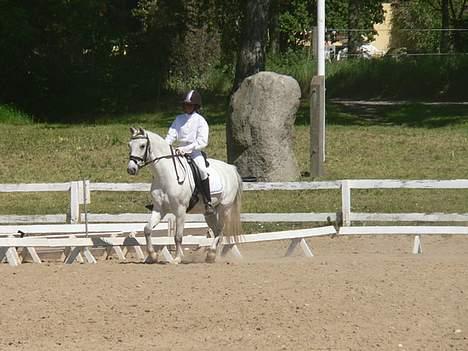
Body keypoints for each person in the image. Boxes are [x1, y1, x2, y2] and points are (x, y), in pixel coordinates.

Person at [165, 90, 215, 215]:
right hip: (178, 151)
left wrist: (186, 149)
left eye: (190, 105)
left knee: (202, 170)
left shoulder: (201, 121)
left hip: (194, 152)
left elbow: (202, 141)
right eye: (185, 104)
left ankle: (207, 202)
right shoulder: (178, 119)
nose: (187, 107)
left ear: (195, 106)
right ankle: (162, 199)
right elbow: (171, 134)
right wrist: (165, 145)